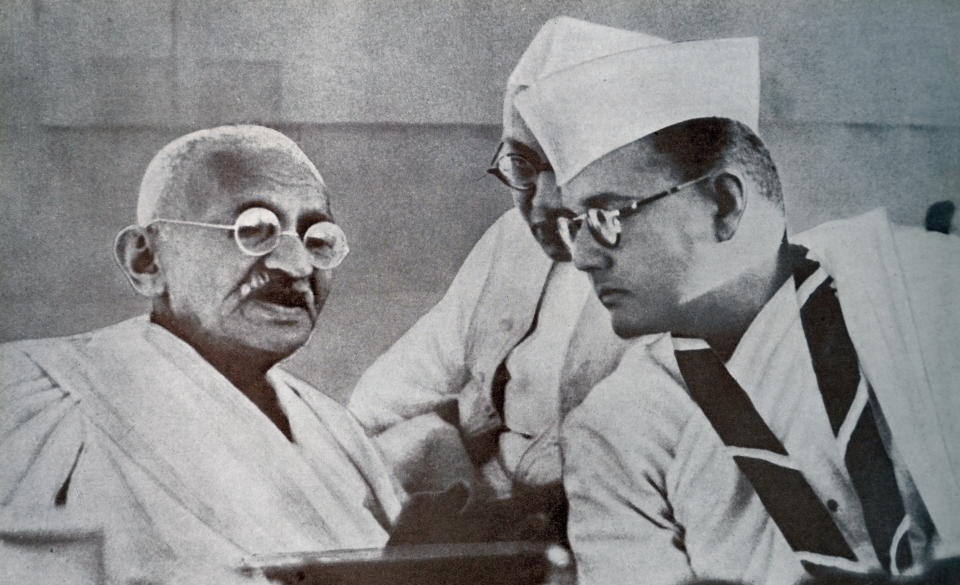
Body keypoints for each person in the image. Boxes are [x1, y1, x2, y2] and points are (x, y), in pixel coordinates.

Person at [500, 19, 960, 585]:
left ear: (722, 204)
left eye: (608, 218)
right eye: (575, 225)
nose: (585, 256)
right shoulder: (617, 427)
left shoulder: (927, 293)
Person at [0, 125, 401, 583]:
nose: (297, 266)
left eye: (317, 239)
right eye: (254, 230)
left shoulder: (339, 433)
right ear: (146, 260)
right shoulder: (39, 396)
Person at [347, 17, 639, 540]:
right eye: (522, 166)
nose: (544, 203)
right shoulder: (511, 240)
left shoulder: (664, 266)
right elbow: (395, 390)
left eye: (569, 166)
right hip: (485, 507)